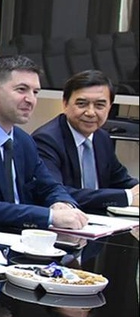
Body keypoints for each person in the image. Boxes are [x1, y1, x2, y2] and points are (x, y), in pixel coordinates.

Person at [0, 56, 88, 231]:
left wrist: (62, 203)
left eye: (35, 92)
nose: (31, 99)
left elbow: (50, 186)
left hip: (26, 235)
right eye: (22, 90)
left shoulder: (24, 140)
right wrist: (49, 216)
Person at [32, 70, 139, 213]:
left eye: (99, 105)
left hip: (101, 218)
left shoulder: (102, 137)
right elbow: (56, 192)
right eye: (82, 104)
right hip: (65, 218)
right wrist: (127, 197)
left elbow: (121, 180)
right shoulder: (46, 140)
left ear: (110, 107)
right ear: (65, 104)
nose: (90, 112)